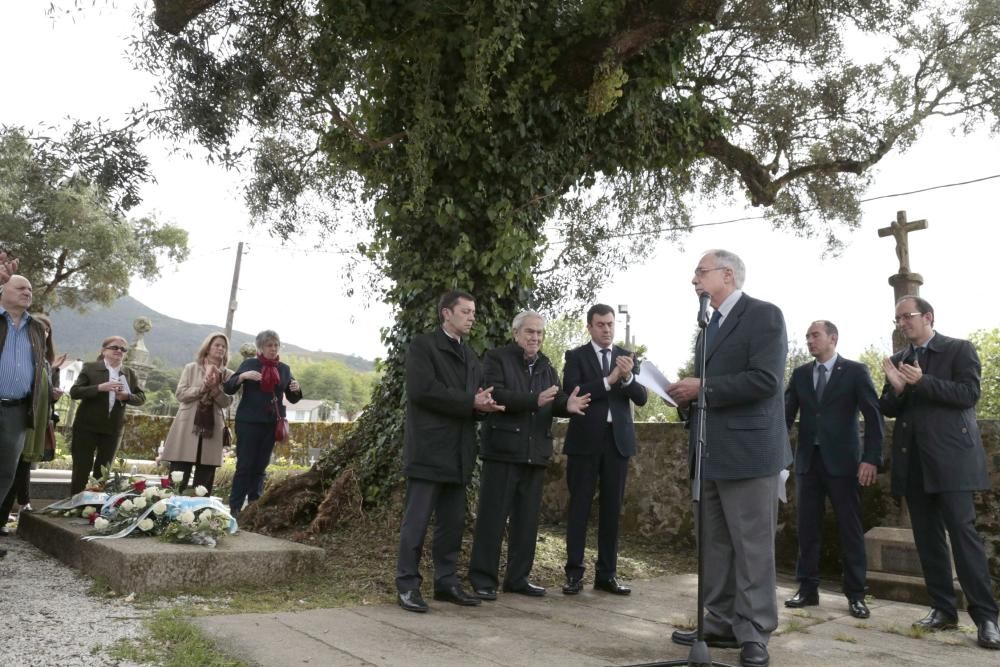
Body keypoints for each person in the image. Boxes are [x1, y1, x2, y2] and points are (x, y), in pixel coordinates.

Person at [667, 249, 792, 667]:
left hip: (750, 452)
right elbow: (708, 387)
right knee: (713, 546)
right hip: (709, 452)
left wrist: (702, 387)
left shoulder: (764, 315)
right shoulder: (707, 326)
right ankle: (718, 622)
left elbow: (765, 380)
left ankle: (754, 631)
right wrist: (684, 398)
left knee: (753, 546)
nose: (693, 280)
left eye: (700, 272)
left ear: (727, 274)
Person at [879, 296, 1000, 650]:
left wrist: (922, 381)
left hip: (952, 462)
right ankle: (943, 610)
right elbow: (888, 406)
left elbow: (969, 394)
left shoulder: (959, 350)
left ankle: (987, 618)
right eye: (898, 318)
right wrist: (899, 389)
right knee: (927, 539)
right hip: (913, 462)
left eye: (908, 316)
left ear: (928, 317)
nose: (903, 323)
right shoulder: (900, 360)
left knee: (964, 538)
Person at [468, 311, 590, 600]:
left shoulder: (547, 365)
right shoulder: (497, 358)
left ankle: (518, 578)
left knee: (527, 522)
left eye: (539, 333)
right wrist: (533, 401)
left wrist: (566, 405)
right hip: (503, 451)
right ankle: (483, 579)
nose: (535, 337)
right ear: (516, 333)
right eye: (530, 332)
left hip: (536, 453)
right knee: (492, 519)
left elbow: (553, 399)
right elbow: (495, 394)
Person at [395, 290, 504, 613]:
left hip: (460, 452)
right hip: (429, 449)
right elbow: (422, 391)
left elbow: (473, 400)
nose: (472, 317)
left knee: (453, 524)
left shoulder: (471, 356)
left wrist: (484, 407)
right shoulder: (423, 347)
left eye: (474, 311)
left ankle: (445, 582)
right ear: (446, 313)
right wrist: (470, 402)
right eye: (466, 311)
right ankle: (407, 585)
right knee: (415, 523)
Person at [784, 320, 883, 619]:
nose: (810, 341)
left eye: (815, 335)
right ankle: (807, 589)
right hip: (807, 464)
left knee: (850, 529)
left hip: (844, 464)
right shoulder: (800, 374)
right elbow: (785, 419)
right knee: (807, 528)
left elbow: (874, 417)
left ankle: (856, 594)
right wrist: (774, 457)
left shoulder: (855, 371)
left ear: (833, 338)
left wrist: (871, 459)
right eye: (807, 337)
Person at [561, 303, 648, 597]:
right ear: (589, 326)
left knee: (612, 511)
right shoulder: (575, 356)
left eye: (610, 324)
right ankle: (574, 574)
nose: (607, 329)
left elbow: (642, 397)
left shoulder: (626, 356)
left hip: (617, 442)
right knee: (579, 509)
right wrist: (608, 382)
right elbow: (572, 392)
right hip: (584, 442)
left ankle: (606, 575)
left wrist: (627, 378)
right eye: (600, 324)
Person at [223, 329, 301, 516]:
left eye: (276, 345)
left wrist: (297, 389)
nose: (273, 349)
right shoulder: (250, 364)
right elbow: (228, 387)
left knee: (260, 467)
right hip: (248, 422)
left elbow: (293, 397)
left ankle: (253, 507)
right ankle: (235, 508)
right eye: (269, 345)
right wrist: (243, 376)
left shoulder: (284, 369)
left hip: (271, 423)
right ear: (261, 347)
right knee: (245, 465)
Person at [0, 313, 66, 532]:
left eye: (47, 330)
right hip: (17, 414)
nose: (43, 332)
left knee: (16, 469)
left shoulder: (48, 362)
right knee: (11, 467)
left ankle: (2, 519)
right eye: (40, 327)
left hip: (34, 422)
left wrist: (53, 394)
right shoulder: (18, 351)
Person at [0, 272, 47, 558]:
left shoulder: (36, 328)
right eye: (20, 287)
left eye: (30, 288)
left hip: (17, 410)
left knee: (5, 474)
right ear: (3, 290)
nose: (27, 292)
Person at [69, 335, 147, 493]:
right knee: (81, 468)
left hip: (113, 429)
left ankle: (94, 509)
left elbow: (141, 398)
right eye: (115, 347)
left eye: (123, 349)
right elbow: (75, 392)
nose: (119, 351)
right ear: (103, 350)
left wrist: (127, 396)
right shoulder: (90, 368)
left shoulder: (129, 373)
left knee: (103, 471)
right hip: (86, 427)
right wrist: (99, 387)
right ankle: (74, 502)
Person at [161, 333, 234, 495]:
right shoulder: (191, 368)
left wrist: (215, 390)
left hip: (212, 428)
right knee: (178, 476)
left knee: (205, 478)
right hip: (187, 426)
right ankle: (170, 512)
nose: (221, 348)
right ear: (208, 347)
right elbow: (180, 394)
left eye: (224, 346)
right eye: (217, 345)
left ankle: (200, 514)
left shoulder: (229, 375)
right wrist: (201, 388)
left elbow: (227, 402)